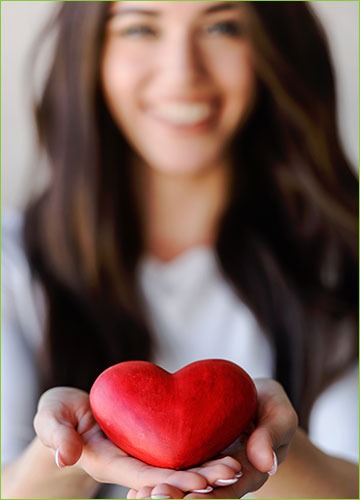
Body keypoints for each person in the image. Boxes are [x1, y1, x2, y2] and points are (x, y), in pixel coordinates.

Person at [2, 1, 358, 498]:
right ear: (90, 51)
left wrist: (274, 446)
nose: (182, 71)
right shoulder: (12, 263)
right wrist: (70, 450)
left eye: (222, 26)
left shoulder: (343, 258)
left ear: (275, 47)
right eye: (141, 28)